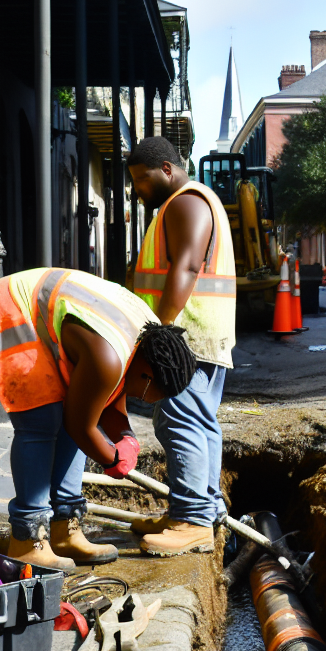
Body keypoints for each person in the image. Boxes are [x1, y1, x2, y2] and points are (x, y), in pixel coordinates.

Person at [0, 267, 197, 571]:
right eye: (149, 395)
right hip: (14, 309)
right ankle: (27, 540)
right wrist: (111, 458)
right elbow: (81, 425)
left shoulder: (144, 345)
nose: (145, 400)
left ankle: (64, 529)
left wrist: (125, 437)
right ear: (147, 375)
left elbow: (108, 399)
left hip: (50, 316)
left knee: (74, 409)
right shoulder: (108, 359)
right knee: (41, 422)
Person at [127, 137, 237, 556]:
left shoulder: (185, 203)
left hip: (186, 334)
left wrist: (162, 331)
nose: (138, 188)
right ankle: (199, 511)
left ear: (167, 170)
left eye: (142, 178)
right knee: (198, 421)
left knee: (180, 422)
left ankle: (190, 520)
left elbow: (187, 266)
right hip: (202, 335)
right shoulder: (190, 202)